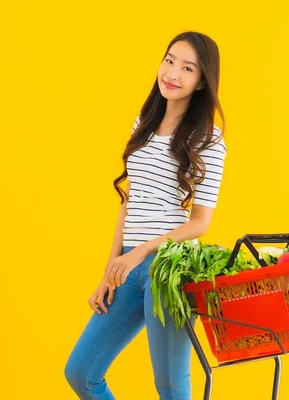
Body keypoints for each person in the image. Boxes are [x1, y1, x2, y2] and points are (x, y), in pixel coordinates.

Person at [64, 31, 227, 400]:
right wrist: (112, 266)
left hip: (169, 269)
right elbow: (130, 199)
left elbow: (201, 222)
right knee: (81, 372)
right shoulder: (145, 122)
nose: (173, 73)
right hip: (131, 264)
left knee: (170, 386)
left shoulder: (209, 139)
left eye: (188, 68)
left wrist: (140, 253)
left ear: (202, 82)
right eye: (169, 60)